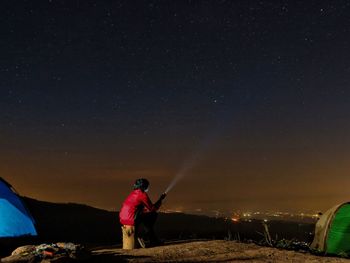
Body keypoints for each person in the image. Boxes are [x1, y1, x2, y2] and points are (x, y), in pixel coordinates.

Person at [119, 178, 166, 248]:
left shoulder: (132, 194)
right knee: (153, 215)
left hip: (123, 219)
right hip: (132, 218)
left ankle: (153, 240)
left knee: (146, 218)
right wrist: (160, 199)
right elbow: (152, 208)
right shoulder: (142, 194)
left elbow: (137, 207)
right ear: (144, 186)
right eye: (147, 186)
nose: (148, 188)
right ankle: (145, 237)